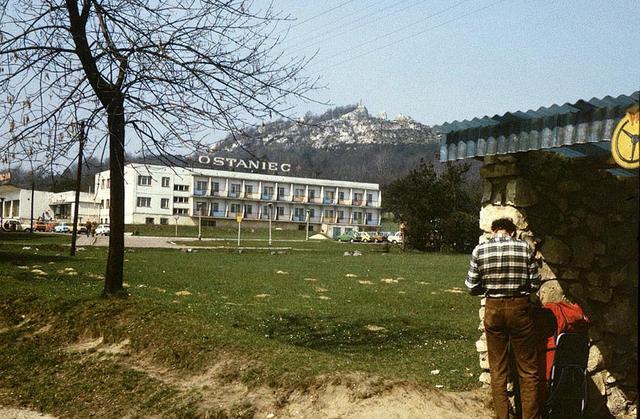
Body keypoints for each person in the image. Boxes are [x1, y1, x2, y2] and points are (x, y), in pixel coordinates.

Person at [466, 218, 541, 419]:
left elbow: (471, 287)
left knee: (498, 370)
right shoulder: (524, 248)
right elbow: (535, 284)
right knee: (528, 370)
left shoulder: (480, 250)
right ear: (512, 232)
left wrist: (490, 288)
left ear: (493, 231)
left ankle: (502, 416)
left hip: (493, 310)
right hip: (519, 310)